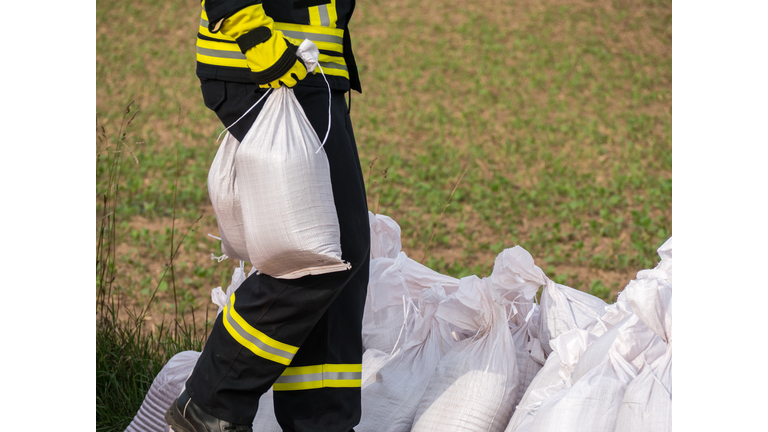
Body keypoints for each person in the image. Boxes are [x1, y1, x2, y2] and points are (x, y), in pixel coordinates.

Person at [164, 1, 370, 431]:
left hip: (307, 70)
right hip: (269, 67)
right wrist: (259, 41)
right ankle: (210, 401)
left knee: (343, 259)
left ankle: (320, 423)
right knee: (317, 256)